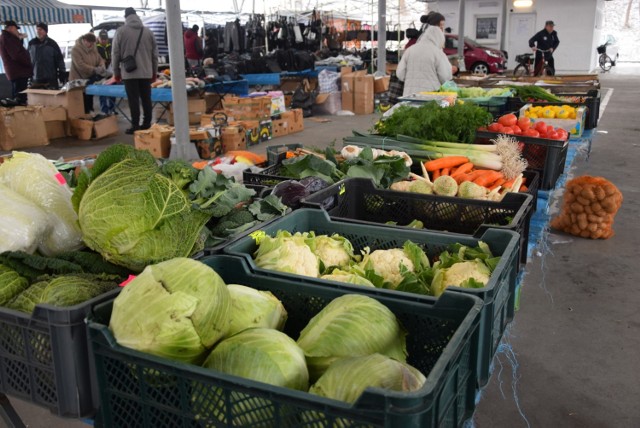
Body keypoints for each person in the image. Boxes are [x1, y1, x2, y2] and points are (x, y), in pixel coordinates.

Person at [112, 7, 158, 134]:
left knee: (133, 99)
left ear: (125, 17)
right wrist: (154, 71)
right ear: (137, 16)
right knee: (146, 98)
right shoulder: (148, 32)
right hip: (146, 72)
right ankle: (147, 123)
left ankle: (135, 125)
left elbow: (115, 53)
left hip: (129, 72)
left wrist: (116, 71)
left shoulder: (120, 31)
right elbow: (155, 55)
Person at [396, 25, 452, 97]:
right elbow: (445, 77)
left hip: (409, 96)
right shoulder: (438, 53)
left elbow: (400, 74)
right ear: (440, 39)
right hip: (430, 98)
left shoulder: (410, 50)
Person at [70, 32, 105, 114]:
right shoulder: (75, 49)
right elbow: (80, 65)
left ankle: (91, 115)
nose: (91, 45)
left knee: (90, 99)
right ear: (84, 40)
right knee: (83, 102)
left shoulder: (93, 47)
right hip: (78, 80)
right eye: (90, 43)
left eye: (93, 43)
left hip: (90, 78)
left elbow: (99, 59)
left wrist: (102, 66)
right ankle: (84, 118)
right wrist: (94, 69)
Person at [0, 20, 32, 104]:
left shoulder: (6, 37)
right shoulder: (8, 38)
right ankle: (21, 115)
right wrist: (28, 62)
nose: (17, 31)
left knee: (17, 97)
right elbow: (16, 54)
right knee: (20, 98)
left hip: (16, 71)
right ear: (11, 28)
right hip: (18, 71)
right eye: (16, 29)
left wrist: (19, 40)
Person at [28, 22, 66, 90]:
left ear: (45, 31)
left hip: (50, 78)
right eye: (37, 29)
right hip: (36, 78)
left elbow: (60, 59)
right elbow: (27, 59)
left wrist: (62, 72)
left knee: (52, 99)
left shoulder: (52, 44)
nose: (38, 31)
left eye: (40, 30)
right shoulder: (31, 44)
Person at [96, 30, 116, 115]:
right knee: (102, 92)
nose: (104, 41)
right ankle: (104, 110)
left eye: (105, 39)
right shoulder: (95, 47)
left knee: (113, 91)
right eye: (102, 39)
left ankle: (112, 108)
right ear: (99, 38)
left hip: (111, 71)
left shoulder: (111, 45)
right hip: (101, 72)